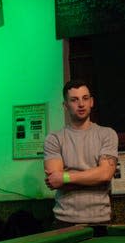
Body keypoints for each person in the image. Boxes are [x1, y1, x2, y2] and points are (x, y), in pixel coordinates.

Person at [44, 79, 118, 227]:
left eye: (85, 98)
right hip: (64, 220)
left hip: (101, 219)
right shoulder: (54, 139)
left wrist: (65, 177)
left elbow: (105, 175)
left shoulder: (107, 134)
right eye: (74, 100)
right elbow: (55, 180)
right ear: (65, 105)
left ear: (91, 102)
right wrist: (92, 176)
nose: (81, 104)